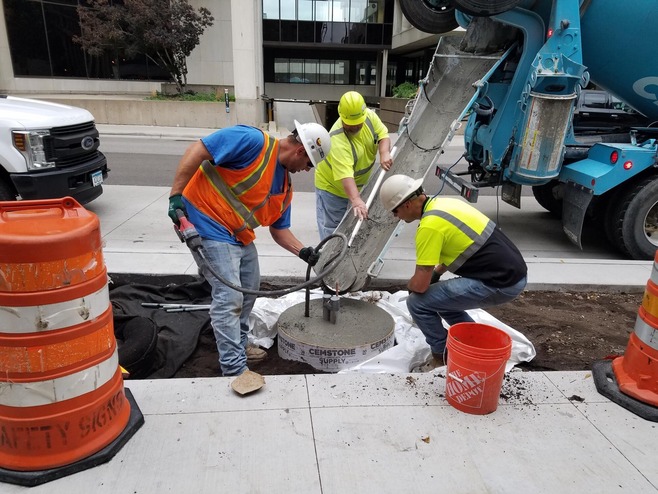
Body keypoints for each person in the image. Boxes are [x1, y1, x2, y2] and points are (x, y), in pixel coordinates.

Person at [167, 121, 331, 378]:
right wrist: (175, 196)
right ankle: (234, 369)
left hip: (237, 235)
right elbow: (198, 150)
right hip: (204, 221)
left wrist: (303, 252)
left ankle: (239, 343)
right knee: (229, 296)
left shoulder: (285, 188)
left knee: (249, 287)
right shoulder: (253, 142)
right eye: (309, 164)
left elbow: (279, 230)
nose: (306, 170)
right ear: (301, 152)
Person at [379, 174, 527, 368]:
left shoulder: (429, 227)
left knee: (417, 303)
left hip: (500, 283)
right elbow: (458, 248)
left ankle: (442, 354)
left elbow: (420, 286)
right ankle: (472, 342)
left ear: (406, 204)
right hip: (513, 273)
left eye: (394, 211)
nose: (395, 216)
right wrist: (437, 274)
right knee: (440, 300)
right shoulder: (444, 205)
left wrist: (412, 285)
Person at [314, 91, 394, 239]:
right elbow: (346, 176)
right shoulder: (337, 140)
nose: (355, 127)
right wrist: (356, 200)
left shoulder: (369, 116)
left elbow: (383, 134)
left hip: (357, 185)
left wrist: (384, 152)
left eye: (358, 123)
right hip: (332, 187)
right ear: (341, 117)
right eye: (350, 124)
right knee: (333, 230)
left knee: (355, 228)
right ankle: (330, 260)